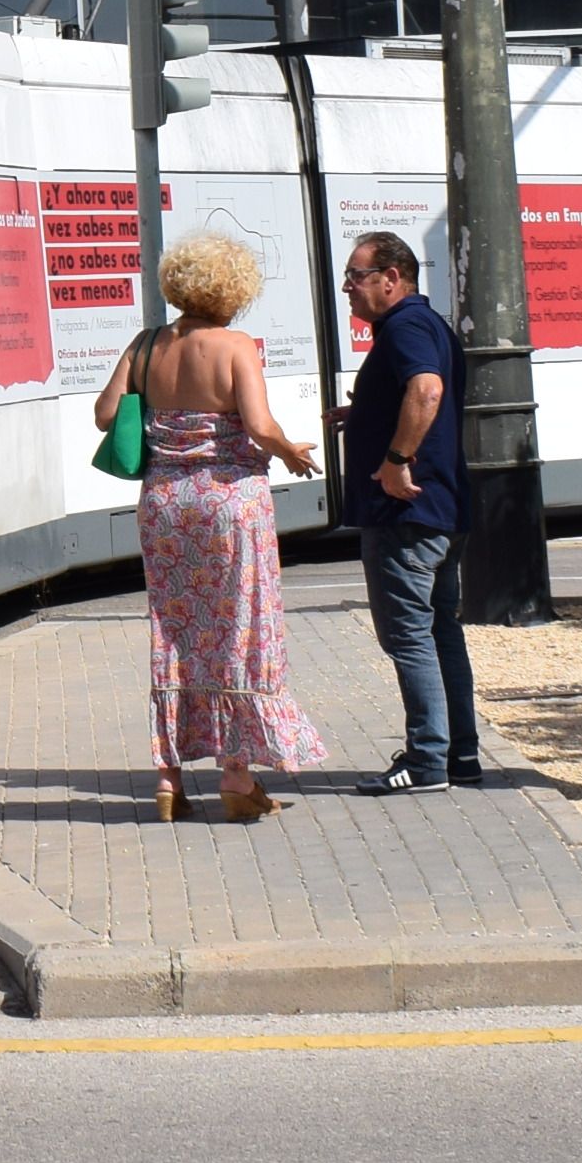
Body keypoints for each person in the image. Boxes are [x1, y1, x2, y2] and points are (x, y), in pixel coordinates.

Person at [92, 232, 325, 824]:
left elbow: (104, 415)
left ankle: (169, 779)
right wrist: (291, 453)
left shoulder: (145, 346)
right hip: (229, 503)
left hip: (166, 503)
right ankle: (235, 775)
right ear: (235, 288)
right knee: (240, 629)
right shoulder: (235, 345)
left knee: (172, 631)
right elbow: (258, 423)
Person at [340, 230, 482, 794]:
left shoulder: (405, 327)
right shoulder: (425, 324)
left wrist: (397, 460)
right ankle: (458, 756)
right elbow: (412, 393)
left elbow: (425, 391)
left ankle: (426, 762)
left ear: (391, 279)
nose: (348, 287)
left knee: (410, 638)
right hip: (440, 509)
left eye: (356, 276)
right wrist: (363, 414)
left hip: (405, 513)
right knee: (440, 632)